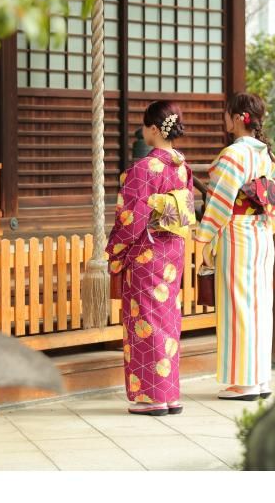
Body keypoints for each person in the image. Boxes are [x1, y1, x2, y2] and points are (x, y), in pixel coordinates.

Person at [105, 101, 195, 415]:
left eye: (145, 126)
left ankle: (151, 396)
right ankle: (169, 394)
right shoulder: (181, 166)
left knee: (145, 320)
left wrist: (113, 253)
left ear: (153, 129)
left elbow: (131, 219)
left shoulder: (144, 168)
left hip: (147, 253)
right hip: (173, 252)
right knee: (167, 320)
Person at [195, 92, 275, 400]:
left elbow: (220, 200)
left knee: (239, 305)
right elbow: (273, 198)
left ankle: (244, 381)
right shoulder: (266, 155)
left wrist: (204, 237)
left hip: (237, 233)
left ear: (236, 118)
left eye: (226, 114)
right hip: (261, 231)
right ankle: (260, 379)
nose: (224, 120)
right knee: (260, 304)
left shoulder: (234, 154)